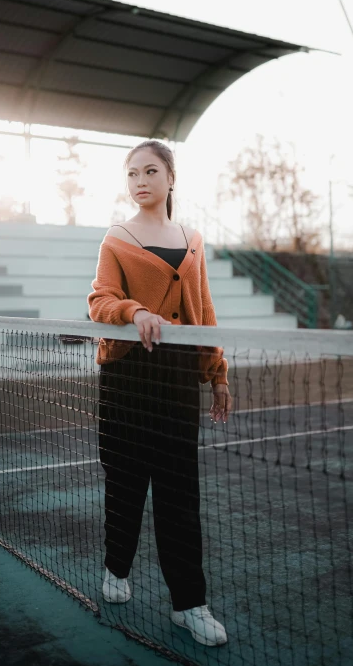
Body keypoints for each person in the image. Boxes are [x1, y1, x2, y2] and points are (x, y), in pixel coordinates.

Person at [88, 139, 232, 647]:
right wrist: (135, 312)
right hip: (127, 378)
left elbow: (204, 312)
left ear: (171, 178)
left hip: (175, 382)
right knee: (125, 485)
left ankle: (189, 605)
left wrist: (217, 373)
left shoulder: (193, 241)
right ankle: (116, 570)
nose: (140, 181)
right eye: (132, 173)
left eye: (150, 171)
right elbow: (99, 300)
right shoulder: (117, 238)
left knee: (179, 496)